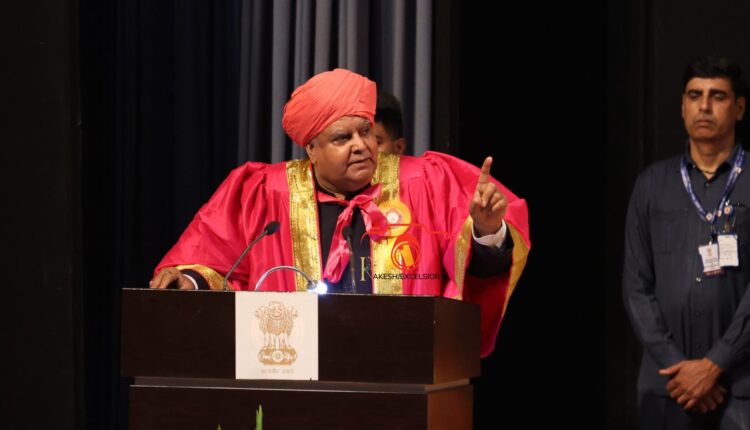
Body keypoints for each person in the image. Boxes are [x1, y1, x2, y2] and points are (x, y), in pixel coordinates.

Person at [149, 68, 530, 357]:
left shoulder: (427, 182)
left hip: (404, 372)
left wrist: (487, 230)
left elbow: (477, 273)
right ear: (311, 150)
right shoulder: (262, 192)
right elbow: (211, 260)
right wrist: (189, 281)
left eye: (366, 132)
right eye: (342, 138)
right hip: (293, 381)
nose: (361, 145)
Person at [623, 56, 750, 429]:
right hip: (668, 387)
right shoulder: (651, 185)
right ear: (682, 106)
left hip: (740, 389)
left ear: (739, 108)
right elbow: (635, 288)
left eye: (718, 96)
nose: (704, 106)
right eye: (695, 95)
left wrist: (715, 364)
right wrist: (682, 368)